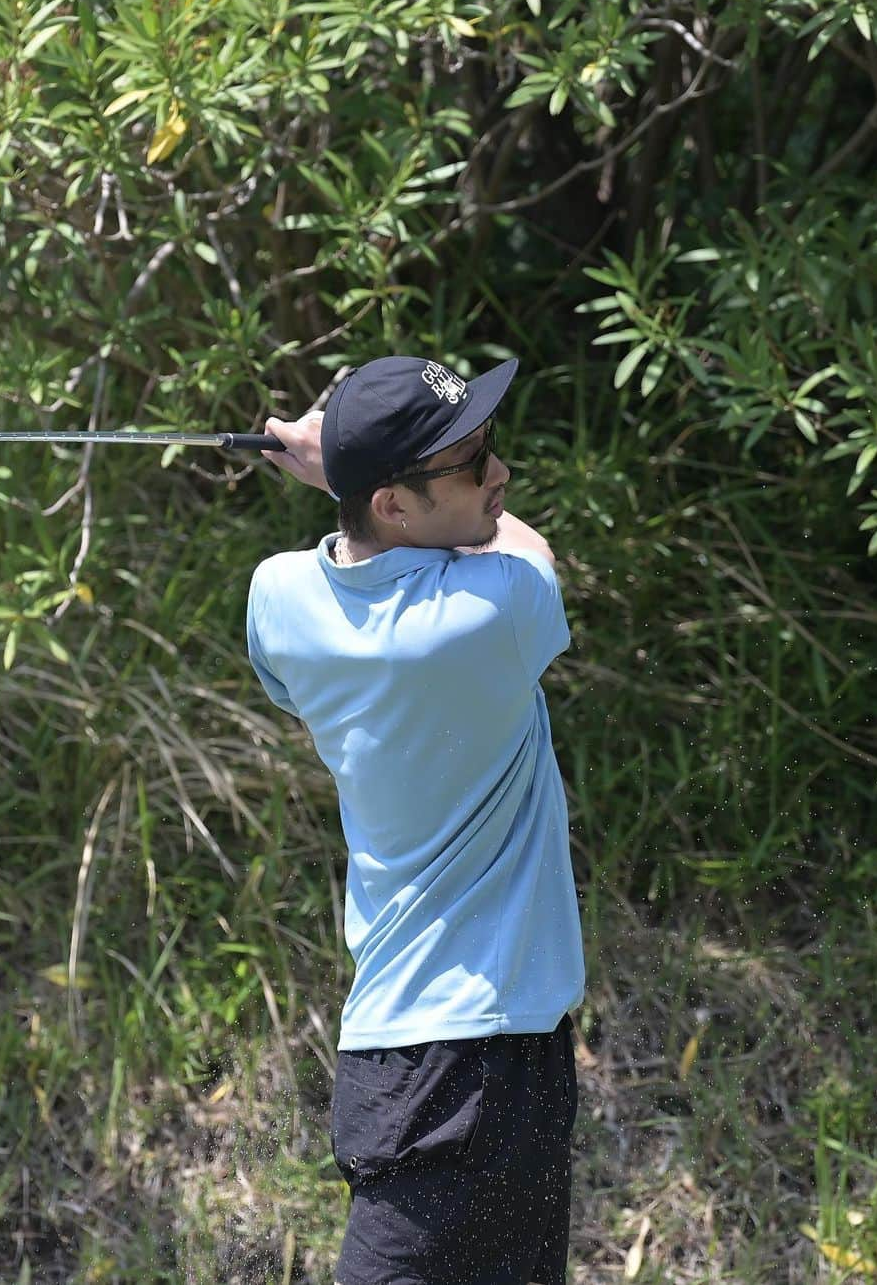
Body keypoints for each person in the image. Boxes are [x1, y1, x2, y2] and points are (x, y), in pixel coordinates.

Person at [246, 354, 585, 1285]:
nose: (500, 476)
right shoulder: (494, 610)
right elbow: (532, 555)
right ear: (394, 503)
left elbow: (320, 616)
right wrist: (337, 466)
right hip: (473, 1061)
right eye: (472, 462)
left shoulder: (277, 601)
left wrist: (352, 476)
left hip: (417, 1047)